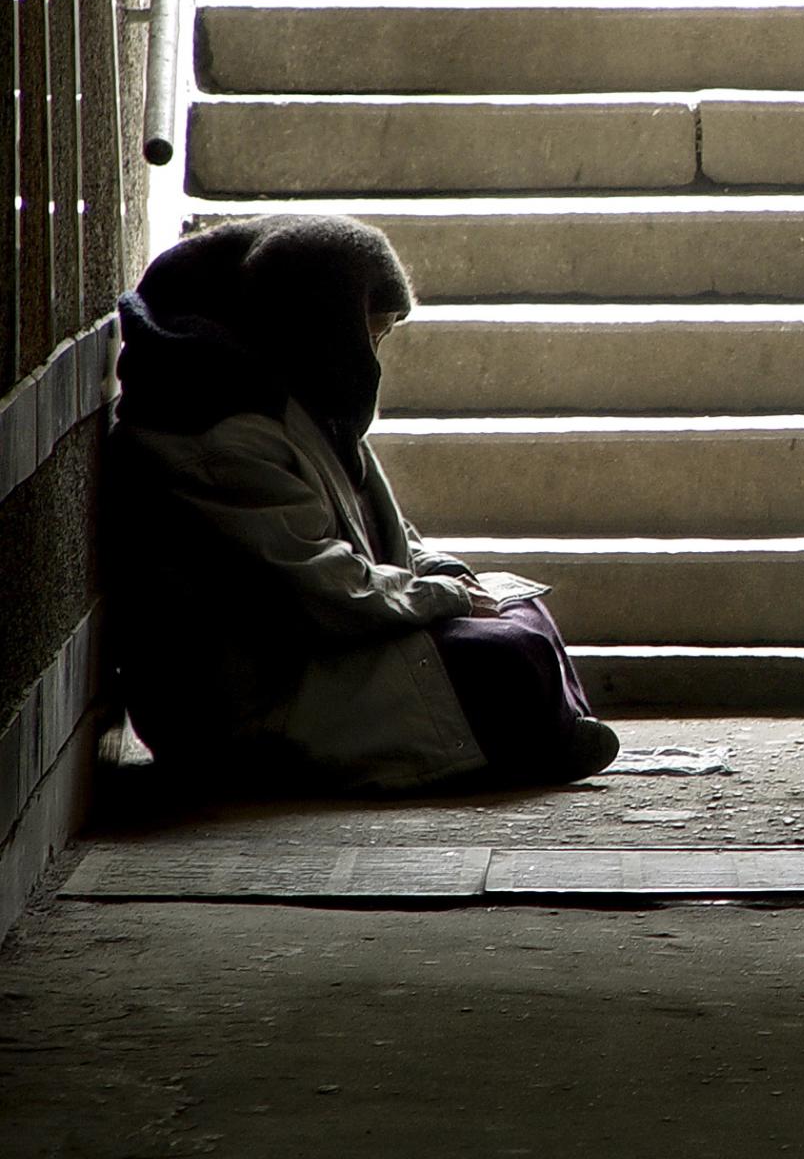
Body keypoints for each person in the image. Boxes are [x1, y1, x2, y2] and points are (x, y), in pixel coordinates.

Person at [104, 213, 620, 792]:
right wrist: (445, 597)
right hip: (264, 692)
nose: (371, 356)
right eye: (369, 336)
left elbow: (385, 530)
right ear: (322, 326)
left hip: (335, 643)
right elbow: (321, 588)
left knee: (522, 611)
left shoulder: (297, 398)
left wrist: (449, 575)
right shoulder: (214, 435)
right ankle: (537, 738)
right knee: (504, 654)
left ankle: (546, 731)